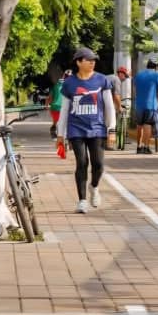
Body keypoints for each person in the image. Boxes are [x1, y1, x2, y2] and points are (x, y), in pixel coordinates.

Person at [56, 47, 115, 213]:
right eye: (88, 60)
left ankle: (94, 187)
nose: (92, 63)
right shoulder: (69, 83)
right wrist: (61, 135)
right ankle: (82, 200)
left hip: (97, 129)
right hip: (76, 129)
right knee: (81, 163)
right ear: (79, 62)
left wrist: (112, 130)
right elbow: (64, 110)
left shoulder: (102, 80)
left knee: (99, 165)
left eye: (94, 60)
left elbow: (109, 107)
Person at [132, 59, 158, 154]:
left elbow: (136, 88)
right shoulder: (157, 75)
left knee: (139, 126)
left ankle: (138, 147)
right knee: (147, 125)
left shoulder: (138, 75)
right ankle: (146, 147)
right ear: (156, 67)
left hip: (138, 105)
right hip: (150, 105)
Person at [105, 66, 127, 150]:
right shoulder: (117, 80)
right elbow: (116, 96)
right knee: (112, 122)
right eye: (125, 76)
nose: (124, 79)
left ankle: (102, 143)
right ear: (121, 74)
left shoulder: (108, 77)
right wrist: (119, 107)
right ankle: (109, 145)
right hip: (105, 102)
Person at [48, 69, 69, 138]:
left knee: (56, 122)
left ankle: (53, 130)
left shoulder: (56, 85)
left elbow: (50, 97)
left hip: (55, 107)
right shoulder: (71, 85)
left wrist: (49, 105)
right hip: (65, 108)